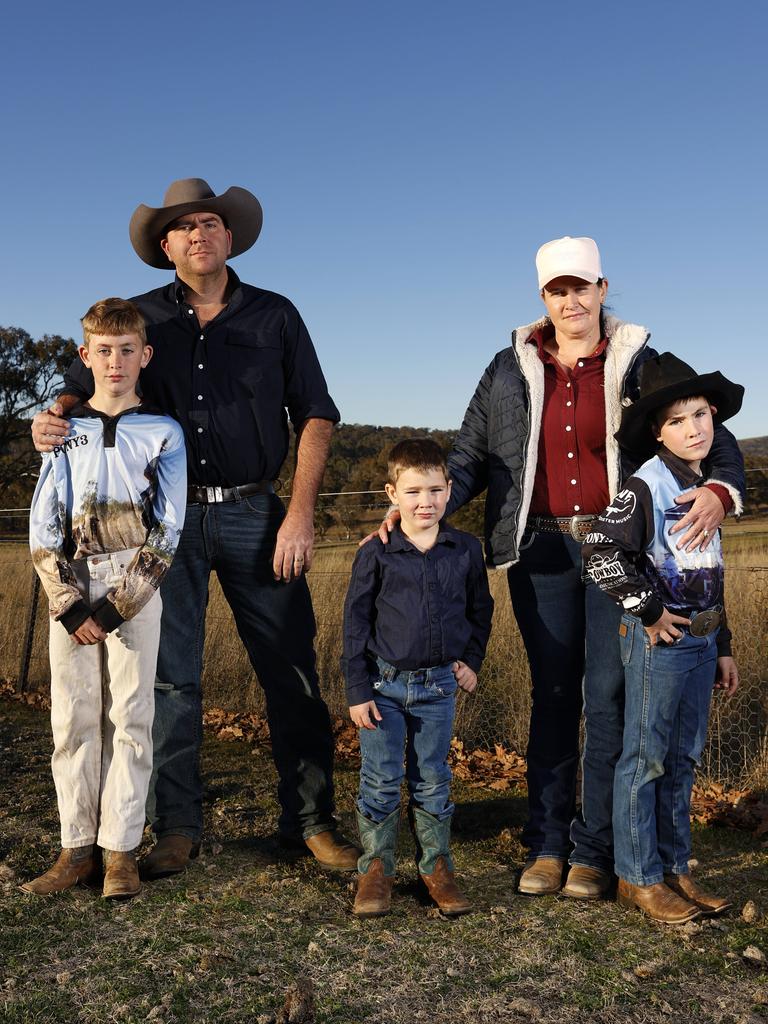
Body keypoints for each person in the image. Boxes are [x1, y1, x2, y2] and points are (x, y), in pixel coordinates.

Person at [374, 237, 745, 898]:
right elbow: (467, 456)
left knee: (607, 698)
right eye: (557, 290)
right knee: (551, 696)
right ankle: (545, 842)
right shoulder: (507, 369)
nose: (571, 300)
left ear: (603, 289)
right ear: (542, 296)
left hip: (621, 555)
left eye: (582, 287)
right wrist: (421, 511)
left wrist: (720, 491)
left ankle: (594, 849)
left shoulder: (641, 363)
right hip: (540, 551)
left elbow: (706, 431)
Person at [31, 179, 359, 876]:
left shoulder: (276, 316)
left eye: (210, 223)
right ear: (165, 245)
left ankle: (310, 822)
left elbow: (317, 415)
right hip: (163, 525)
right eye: (183, 227)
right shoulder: (140, 319)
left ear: (229, 237)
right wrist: (49, 414)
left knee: (291, 672)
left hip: (255, 513)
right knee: (170, 680)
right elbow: (74, 385)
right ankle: (176, 826)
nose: (199, 234)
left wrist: (299, 514)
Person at [22, 298, 187, 899]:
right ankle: (76, 848)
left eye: (126, 351)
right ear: (84, 355)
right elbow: (43, 522)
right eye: (103, 350)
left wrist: (118, 606)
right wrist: (66, 602)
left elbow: (168, 527)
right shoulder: (64, 432)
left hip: (134, 588)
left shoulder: (163, 432)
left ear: (144, 356)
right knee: (72, 715)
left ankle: (120, 850)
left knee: (132, 715)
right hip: (69, 581)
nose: (114, 362)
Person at [583, 353, 742, 923]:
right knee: (646, 757)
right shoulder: (645, 485)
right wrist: (648, 610)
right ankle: (638, 877)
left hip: (700, 643)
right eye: (677, 421)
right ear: (657, 431)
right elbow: (599, 551)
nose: (693, 428)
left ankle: (675, 869)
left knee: (682, 758)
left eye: (700, 415)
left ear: (715, 417)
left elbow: (708, 568)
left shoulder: (705, 487)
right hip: (660, 642)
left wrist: (722, 645)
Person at [343, 439, 494, 917]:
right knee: (381, 780)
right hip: (383, 688)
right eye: (412, 491)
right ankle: (376, 872)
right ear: (392, 493)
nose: (424, 501)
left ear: (450, 490)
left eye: (434, 490)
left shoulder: (465, 550)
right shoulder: (377, 553)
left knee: (433, 779)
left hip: (438, 688)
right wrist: (357, 689)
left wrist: (472, 660)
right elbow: (355, 623)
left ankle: (437, 868)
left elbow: (480, 610)